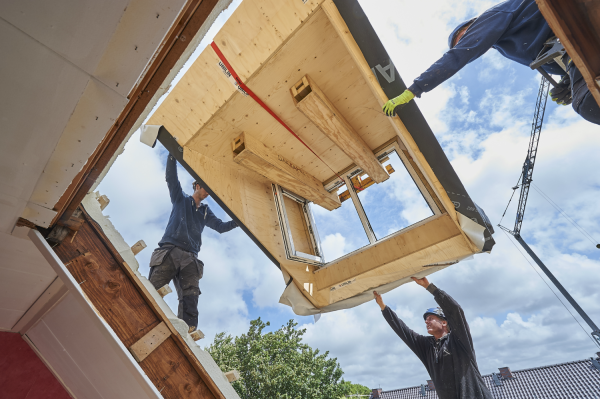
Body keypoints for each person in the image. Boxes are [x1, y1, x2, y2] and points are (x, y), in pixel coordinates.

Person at [382, 0, 600, 125]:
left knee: (588, 103)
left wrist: (414, 89)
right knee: (587, 100)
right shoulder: (506, 43)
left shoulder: (492, 16)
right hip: (577, 43)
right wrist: (566, 81)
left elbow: (459, 55)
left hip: (578, 22)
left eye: (463, 38)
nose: (466, 42)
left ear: (469, 27)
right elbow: (549, 52)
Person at [148, 154, 238, 333]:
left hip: (191, 258)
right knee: (152, 288)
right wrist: (172, 156)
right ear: (197, 185)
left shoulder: (205, 212)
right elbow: (171, 178)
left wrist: (240, 221)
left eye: (210, 192)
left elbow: (221, 227)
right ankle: (142, 309)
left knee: (191, 296)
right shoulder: (180, 199)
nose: (207, 193)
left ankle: (187, 331)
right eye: (205, 189)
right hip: (171, 251)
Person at [374, 277, 492, 399]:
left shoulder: (459, 340)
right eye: (426, 319)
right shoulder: (427, 347)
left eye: (430, 318)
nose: (426, 321)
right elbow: (403, 331)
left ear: (444, 322)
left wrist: (429, 287)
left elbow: (455, 311)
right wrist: (383, 307)